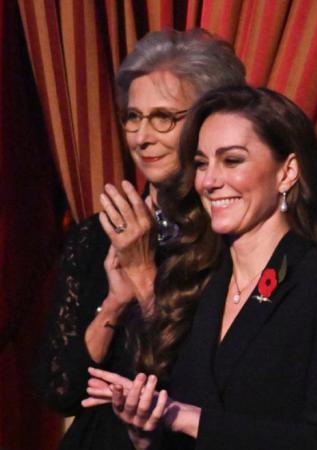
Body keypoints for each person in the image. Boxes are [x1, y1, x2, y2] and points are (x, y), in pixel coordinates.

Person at [82, 86, 317, 450]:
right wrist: (143, 430)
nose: (209, 181)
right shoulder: (193, 278)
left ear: (287, 172)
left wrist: (188, 419)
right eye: (202, 163)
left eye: (232, 160)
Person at [37, 29, 246, 450]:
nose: (141, 137)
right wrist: (114, 303)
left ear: (210, 122)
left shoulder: (232, 237)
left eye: (163, 118)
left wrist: (143, 272)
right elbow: (59, 391)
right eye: (133, 117)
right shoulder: (96, 236)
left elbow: (202, 390)